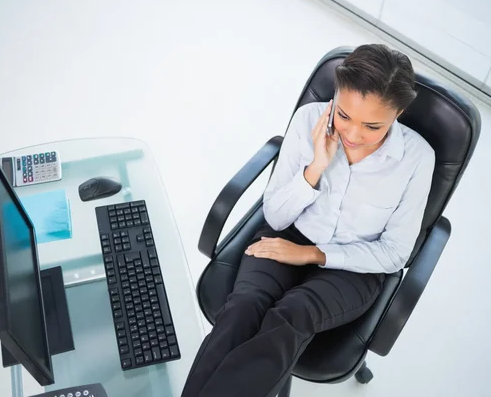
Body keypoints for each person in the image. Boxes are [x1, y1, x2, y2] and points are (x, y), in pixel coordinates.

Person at [181, 44, 435, 397]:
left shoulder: (417, 158)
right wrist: (316, 166)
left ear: (400, 113)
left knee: (292, 316)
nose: (353, 134)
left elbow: (394, 253)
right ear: (335, 94)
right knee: (242, 308)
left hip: (355, 267)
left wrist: (312, 255)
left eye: (372, 125)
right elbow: (275, 214)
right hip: (287, 234)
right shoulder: (309, 120)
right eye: (344, 115)